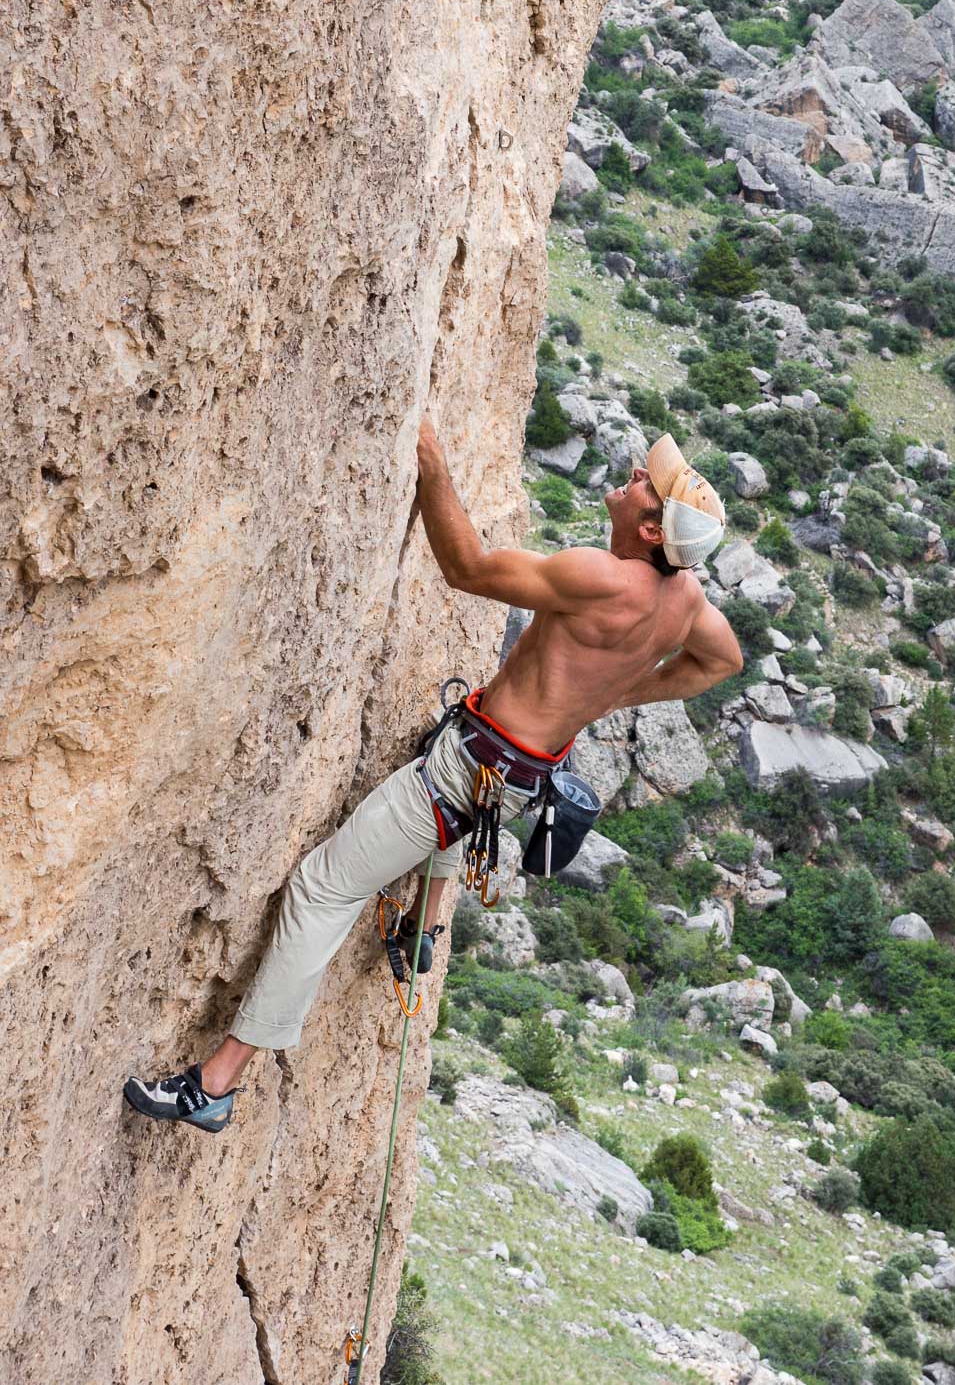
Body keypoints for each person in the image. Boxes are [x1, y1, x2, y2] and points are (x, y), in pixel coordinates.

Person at [123, 417, 742, 1132]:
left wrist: (432, 466)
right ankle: (425, 920)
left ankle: (217, 1084)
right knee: (457, 794)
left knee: (323, 889)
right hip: (511, 779)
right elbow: (721, 663)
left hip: (462, 777)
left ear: (650, 530)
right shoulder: (685, 601)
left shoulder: (600, 577)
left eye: (646, 483)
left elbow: (467, 570)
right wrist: (612, 694)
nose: (635, 474)